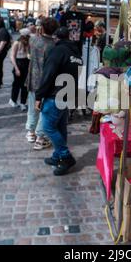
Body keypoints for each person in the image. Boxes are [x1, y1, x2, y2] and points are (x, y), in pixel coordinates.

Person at [35, 27, 83, 176]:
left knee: (48, 127)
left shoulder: (57, 51)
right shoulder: (76, 54)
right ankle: (57, 156)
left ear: (56, 38)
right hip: (68, 94)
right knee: (60, 126)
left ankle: (65, 156)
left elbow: (48, 74)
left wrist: (39, 95)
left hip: (55, 95)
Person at [25, 17, 59, 149]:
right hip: (46, 81)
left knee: (32, 107)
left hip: (33, 78)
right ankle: (40, 136)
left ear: (42, 28)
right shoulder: (54, 45)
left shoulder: (33, 40)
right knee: (44, 110)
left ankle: (30, 132)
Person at [9, 28, 30, 110]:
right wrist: (16, 68)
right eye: (27, 36)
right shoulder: (16, 43)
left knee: (25, 84)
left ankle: (23, 102)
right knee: (17, 84)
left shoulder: (28, 43)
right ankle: (13, 100)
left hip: (26, 62)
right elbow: (12, 56)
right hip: (18, 63)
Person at [0, 17, 11, 89]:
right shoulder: (1, 30)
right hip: (0, 51)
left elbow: (3, 42)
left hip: (1, 52)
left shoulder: (2, 31)